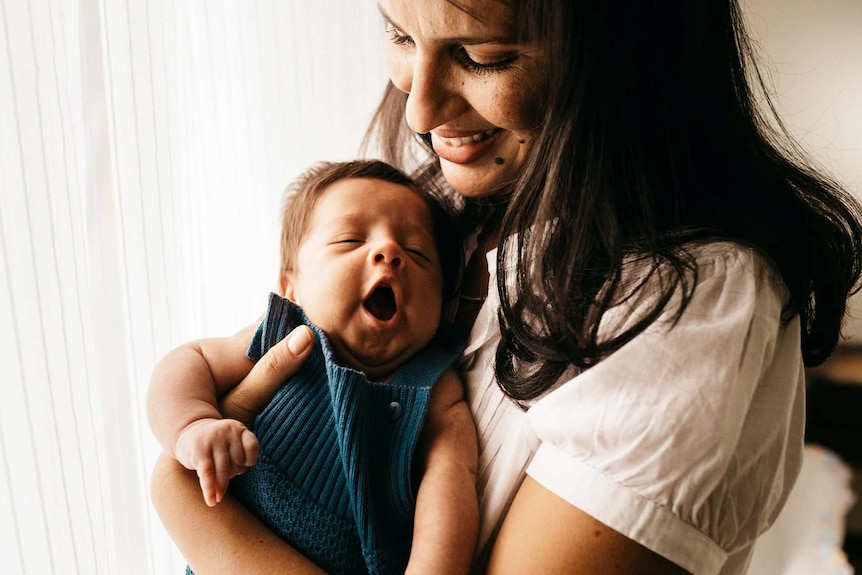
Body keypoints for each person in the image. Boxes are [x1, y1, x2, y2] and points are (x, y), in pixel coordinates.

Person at [150, 1, 862, 574]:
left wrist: (188, 501)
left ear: (624, 58)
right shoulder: (447, 210)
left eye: (482, 56)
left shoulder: (687, 307)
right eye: (399, 32)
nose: (421, 113)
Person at [147, 160, 478, 574]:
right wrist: (193, 426)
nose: (389, 252)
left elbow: (450, 482)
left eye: (416, 252)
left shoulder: (434, 384)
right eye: (349, 240)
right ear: (291, 288)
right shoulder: (281, 337)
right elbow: (187, 361)